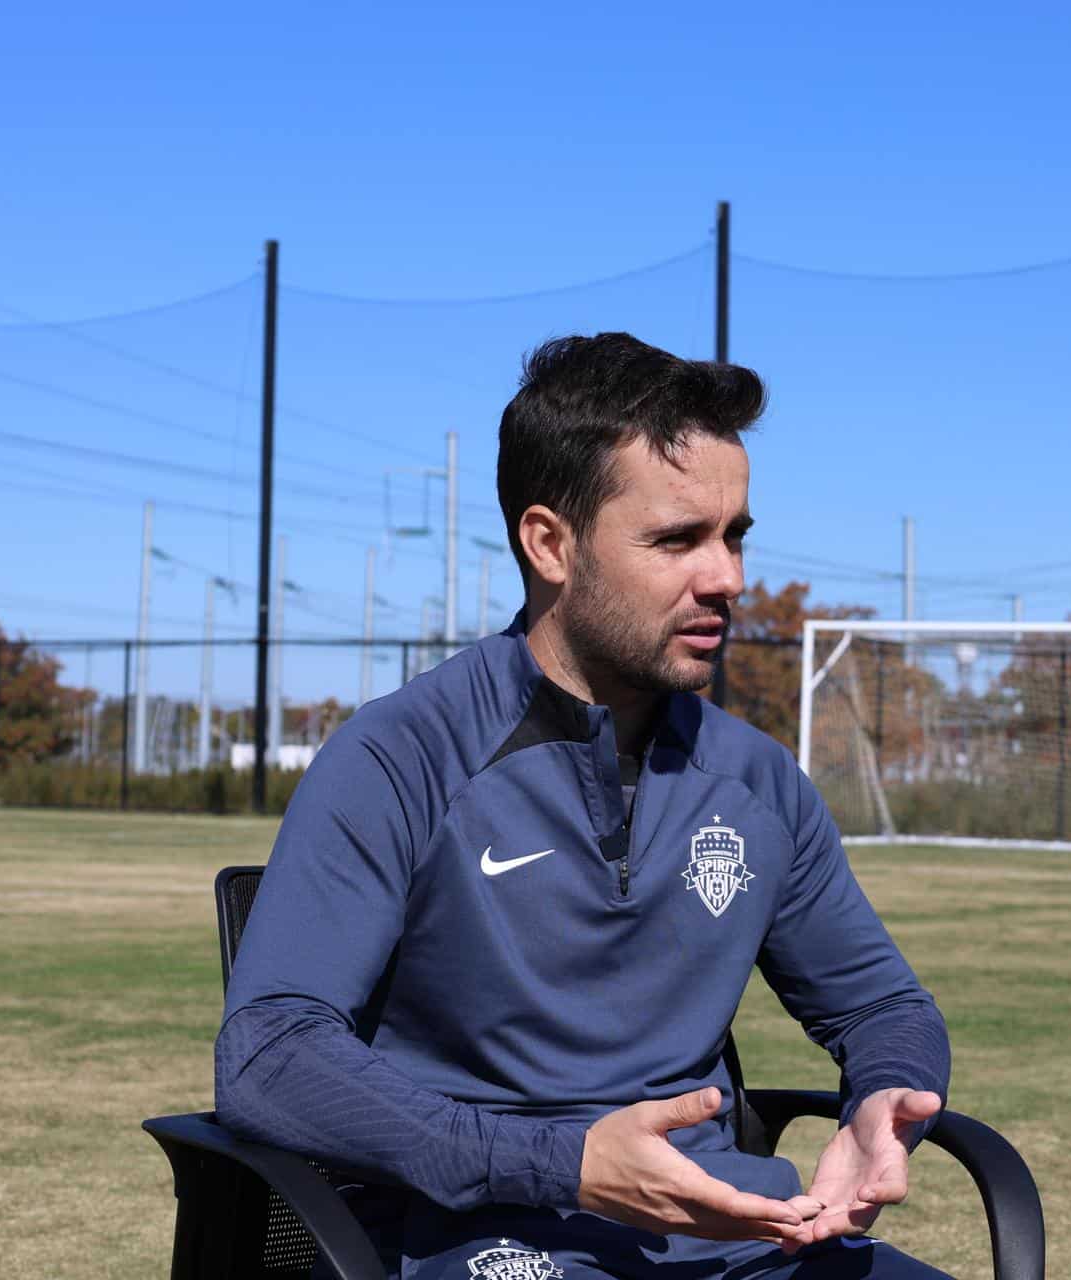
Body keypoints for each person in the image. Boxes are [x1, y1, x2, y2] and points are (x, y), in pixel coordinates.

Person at [215, 332, 953, 1280]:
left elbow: (883, 1003)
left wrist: (889, 1098)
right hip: (479, 1232)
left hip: (737, 1236)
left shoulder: (758, 782)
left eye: (734, 536)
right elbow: (271, 1053)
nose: (727, 576)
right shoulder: (400, 756)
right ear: (550, 544)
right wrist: (561, 1162)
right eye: (678, 539)